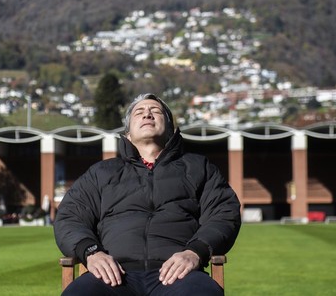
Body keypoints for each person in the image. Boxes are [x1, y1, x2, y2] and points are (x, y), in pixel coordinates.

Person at [54, 93, 241, 295]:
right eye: (139, 112)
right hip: (113, 274)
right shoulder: (101, 173)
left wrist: (195, 251)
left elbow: (223, 214)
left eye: (156, 111)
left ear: (170, 130)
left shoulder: (198, 167)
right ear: (127, 134)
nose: (148, 115)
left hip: (179, 275)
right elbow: (69, 217)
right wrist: (91, 252)